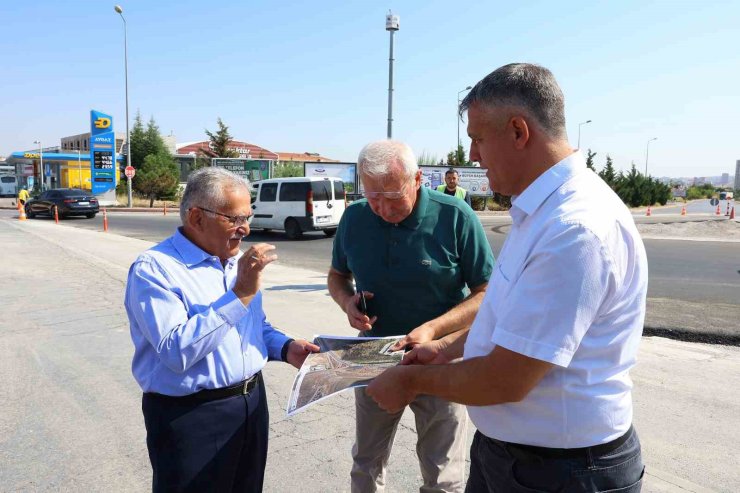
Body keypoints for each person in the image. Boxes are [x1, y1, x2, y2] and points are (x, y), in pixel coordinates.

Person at [367, 63, 647, 492]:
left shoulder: (575, 229)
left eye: (478, 139)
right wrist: (443, 348)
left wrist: (410, 381)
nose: (472, 155)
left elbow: (506, 378)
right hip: (518, 457)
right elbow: (507, 318)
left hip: (562, 471)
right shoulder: (541, 211)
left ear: (519, 132)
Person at [125, 167, 319, 492]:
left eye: (248, 217)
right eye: (235, 219)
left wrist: (286, 348)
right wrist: (240, 294)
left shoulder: (234, 262)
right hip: (191, 416)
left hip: (250, 405)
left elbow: (254, 327)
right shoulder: (154, 270)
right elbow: (175, 351)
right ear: (197, 217)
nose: (245, 229)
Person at [327, 140, 494, 493]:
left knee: (442, 473)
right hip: (374, 356)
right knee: (366, 463)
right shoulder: (356, 218)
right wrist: (347, 302)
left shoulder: (456, 216)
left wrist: (434, 329)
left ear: (418, 179)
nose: (383, 209)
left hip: (440, 359)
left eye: (392, 197)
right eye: (373, 198)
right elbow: (336, 275)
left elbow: (487, 293)